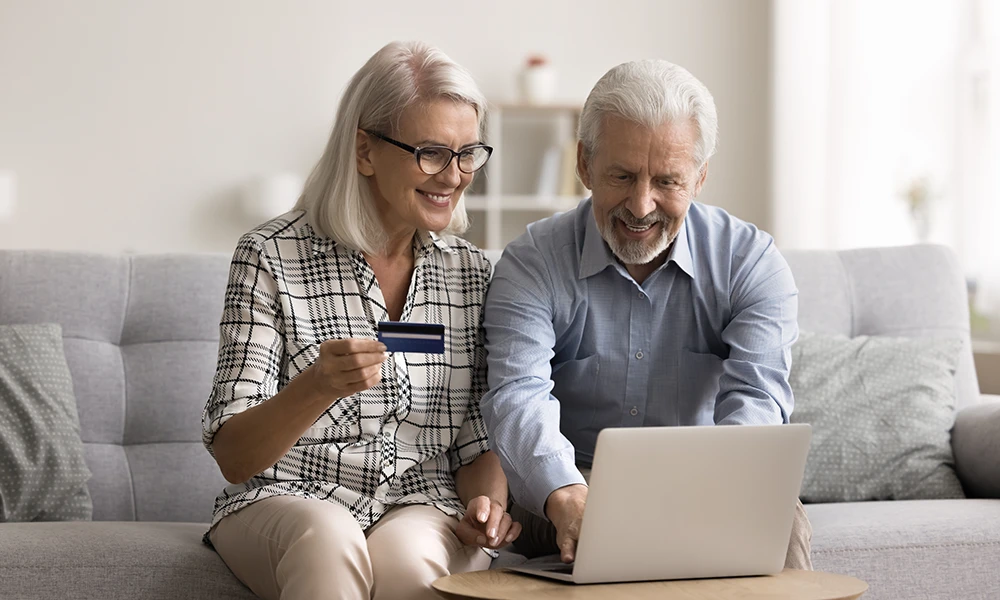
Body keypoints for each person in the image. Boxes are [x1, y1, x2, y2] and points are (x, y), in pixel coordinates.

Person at [202, 41, 520, 600]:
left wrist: (486, 506)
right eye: (430, 152)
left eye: (468, 153)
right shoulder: (268, 257)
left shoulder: (469, 273)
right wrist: (317, 387)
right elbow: (234, 455)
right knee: (329, 540)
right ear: (365, 151)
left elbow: (476, 441)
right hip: (285, 500)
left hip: (418, 504)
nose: (454, 175)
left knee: (410, 565)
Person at [480, 59, 812, 570]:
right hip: (567, 485)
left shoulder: (751, 262)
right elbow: (516, 393)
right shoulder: (532, 262)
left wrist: (718, 494)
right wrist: (566, 494)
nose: (641, 205)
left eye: (667, 181)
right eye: (622, 175)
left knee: (781, 522)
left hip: (705, 480)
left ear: (700, 178)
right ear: (585, 164)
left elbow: (757, 399)